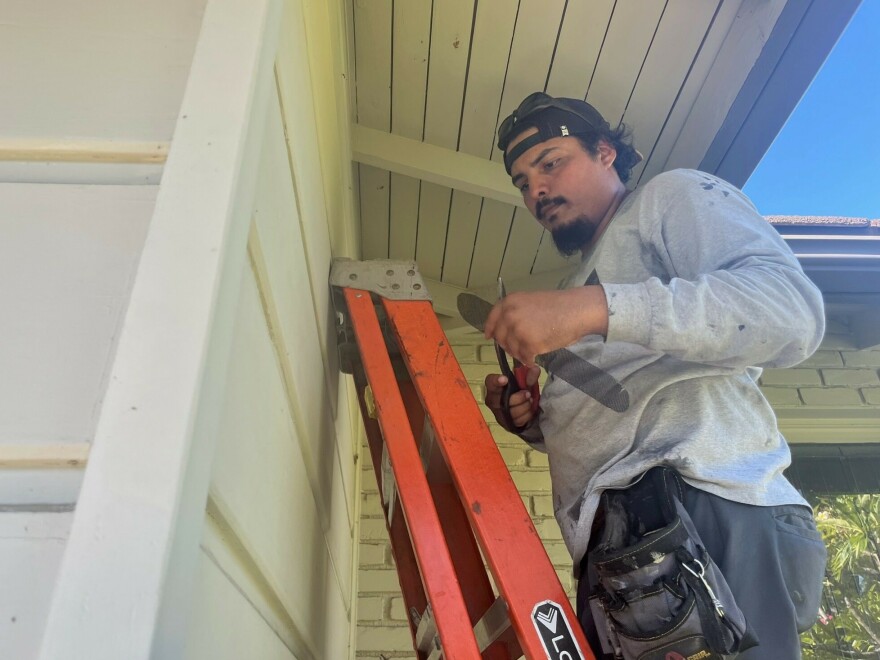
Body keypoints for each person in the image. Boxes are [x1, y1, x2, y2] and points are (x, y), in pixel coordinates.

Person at [483, 92, 828, 659]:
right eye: (522, 182)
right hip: (618, 542)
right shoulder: (582, 281)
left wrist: (594, 309)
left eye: (550, 162)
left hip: (704, 506)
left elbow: (791, 310)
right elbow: (623, 406)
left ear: (604, 152)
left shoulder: (669, 197)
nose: (536, 190)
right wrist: (533, 420)